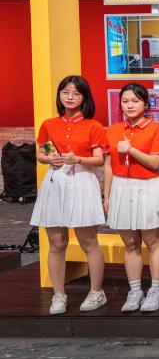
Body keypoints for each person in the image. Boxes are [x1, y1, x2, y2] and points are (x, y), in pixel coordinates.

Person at [32, 75, 107, 315]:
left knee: (88, 241)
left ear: (84, 97)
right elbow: (41, 153)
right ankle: (58, 294)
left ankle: (97, 291)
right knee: (56, 242)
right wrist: (48, 159)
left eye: (76, 93)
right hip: (56, 183)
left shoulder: (93, 126)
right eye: (65, 92)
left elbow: (99, 160)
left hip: (82, 181)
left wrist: (78, 159)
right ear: (59, 95)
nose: (70, 97)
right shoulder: (49, 124)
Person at [102, 83, 159, 313]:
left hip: (148, 186)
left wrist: (131, 150)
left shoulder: (156, 129)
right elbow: (109, 165)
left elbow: (156, 163)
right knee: (130, 243)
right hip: (121, 187)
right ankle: (135, 290)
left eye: (135, 101)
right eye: (125, 101)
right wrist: (107, 195)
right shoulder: (113, 130)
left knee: (153, 241)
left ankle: (156, 290)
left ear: (146, 104)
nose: (129, 105)